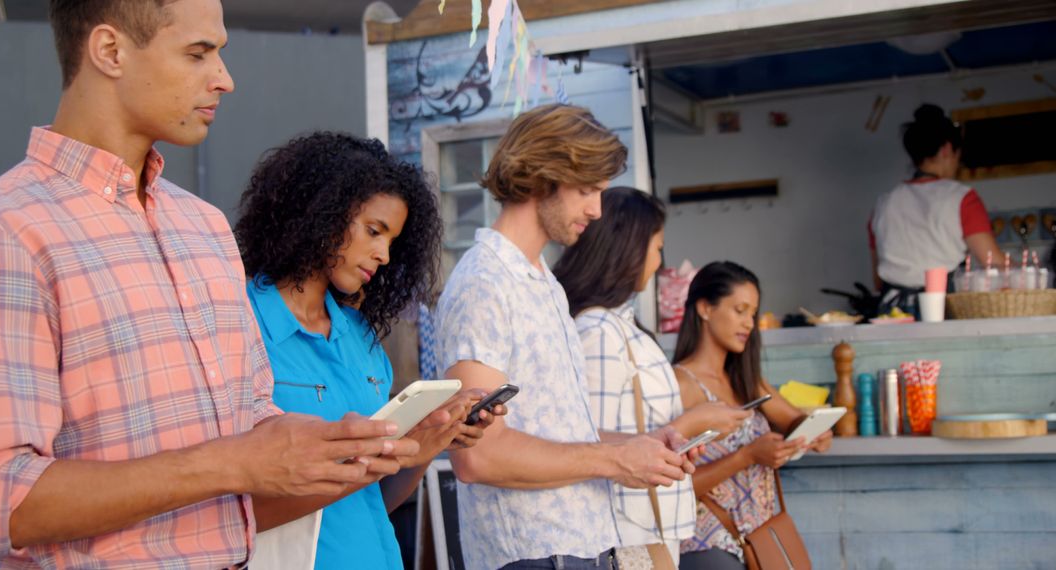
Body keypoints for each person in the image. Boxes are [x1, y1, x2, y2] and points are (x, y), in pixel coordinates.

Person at [0, 2, 415, 567]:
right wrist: (231, 461)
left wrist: (335, 450)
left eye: (221, 53)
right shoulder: (5, 230)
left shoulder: (204, 228)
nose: (225, 79)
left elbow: (254, 435)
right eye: (198, 53)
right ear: (110, 51)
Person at [436, 103, 696, 570]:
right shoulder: (484, 283)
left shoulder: (542, 280)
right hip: (532, 555)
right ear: (541, 178)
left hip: (578, 545)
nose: (596, 210)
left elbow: (558, 433)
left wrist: (639, 444)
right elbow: (480, 457)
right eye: (586, 190)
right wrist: (615, 462)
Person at [234, 131, 504, 569]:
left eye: (392, 242)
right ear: (319, 213)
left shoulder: (361, 339)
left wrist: (424, 445)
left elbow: (377, 500)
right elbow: (234, 512)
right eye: (373, 231)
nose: (382, 254)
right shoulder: (238, 326)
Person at [553, 187, 751, 563]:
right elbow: (586, 440)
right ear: (628, 248)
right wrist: (692, 423)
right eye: (657, 247)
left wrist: (677, 440)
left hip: (650, 524)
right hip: (630, 530)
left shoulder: (620, 325)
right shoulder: (597, 330)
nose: (659, 262)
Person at [670, 262, 832, 569]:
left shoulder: (746, 380)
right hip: (708, 546)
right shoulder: (680, 383)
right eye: (740, 310)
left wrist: (814, 433)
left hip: (758, 543)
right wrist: (748, 456)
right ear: (705, 308)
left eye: (753, 314)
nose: (749, 323)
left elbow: (794, 420)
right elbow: (672, 485)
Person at [869, 103, 1004, 316]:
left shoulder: (884, 203)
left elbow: (878, 281)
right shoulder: (961, 198)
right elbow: (994, 263)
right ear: (947, 149)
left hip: (892, 313)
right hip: (943, 310)